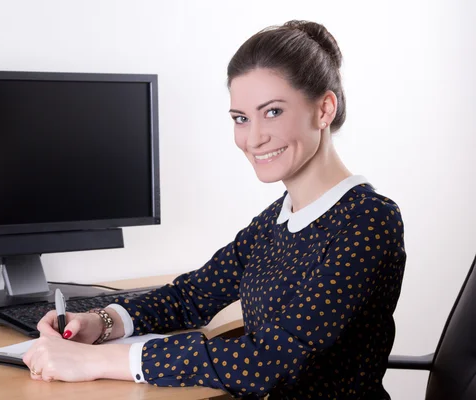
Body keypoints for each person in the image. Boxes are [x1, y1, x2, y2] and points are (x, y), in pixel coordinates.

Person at [23, 20, 407, 400]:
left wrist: (98, 362)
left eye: (272, 111)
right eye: (241, 118)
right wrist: (101, 323)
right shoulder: (278, 220)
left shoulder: (367, 221)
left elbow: (269, 362)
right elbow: (191, 296)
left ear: (323, 110)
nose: (253, 138)